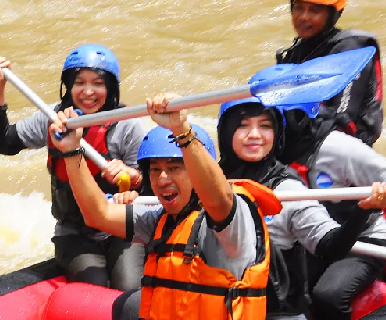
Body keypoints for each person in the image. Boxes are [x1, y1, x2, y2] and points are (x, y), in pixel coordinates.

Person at [50, 93, 282, 320]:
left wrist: (181, 130)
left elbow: (219, 200)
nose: (162, 179)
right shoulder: (161, 219)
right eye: (155, 169)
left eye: (174, 168)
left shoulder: (233, 218)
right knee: (129, 303)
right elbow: (98, 215)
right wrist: (72, 151)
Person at [216, 94, 386, 319]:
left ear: (276, 133)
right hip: (219, 305)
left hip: (276, 312)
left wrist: (364, 209)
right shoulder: (210, 184)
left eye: (265, 126)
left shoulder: (289, 190)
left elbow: (331, 246)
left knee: (329, 295)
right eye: (243, 126)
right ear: (226, 132)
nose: (255, 135)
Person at [0, 44, 147, 290]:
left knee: (129, 287)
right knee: (96, 286)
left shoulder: (127, 126)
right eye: (79, 82)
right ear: (68, 86)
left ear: (110, 87)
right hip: (75, 234)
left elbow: (148, 183)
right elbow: (3, 141)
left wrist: (132, 177)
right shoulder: (53, 119)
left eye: (98, 84)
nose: (88, 91)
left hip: (120, 229)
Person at [276, 0, 383, 146]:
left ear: (332, 15)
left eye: (314, 11)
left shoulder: (352, 49)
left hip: (347, 146)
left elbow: (344, 119)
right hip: (306, 138)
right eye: (299, 8)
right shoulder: (296, 53)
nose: (303, 17)